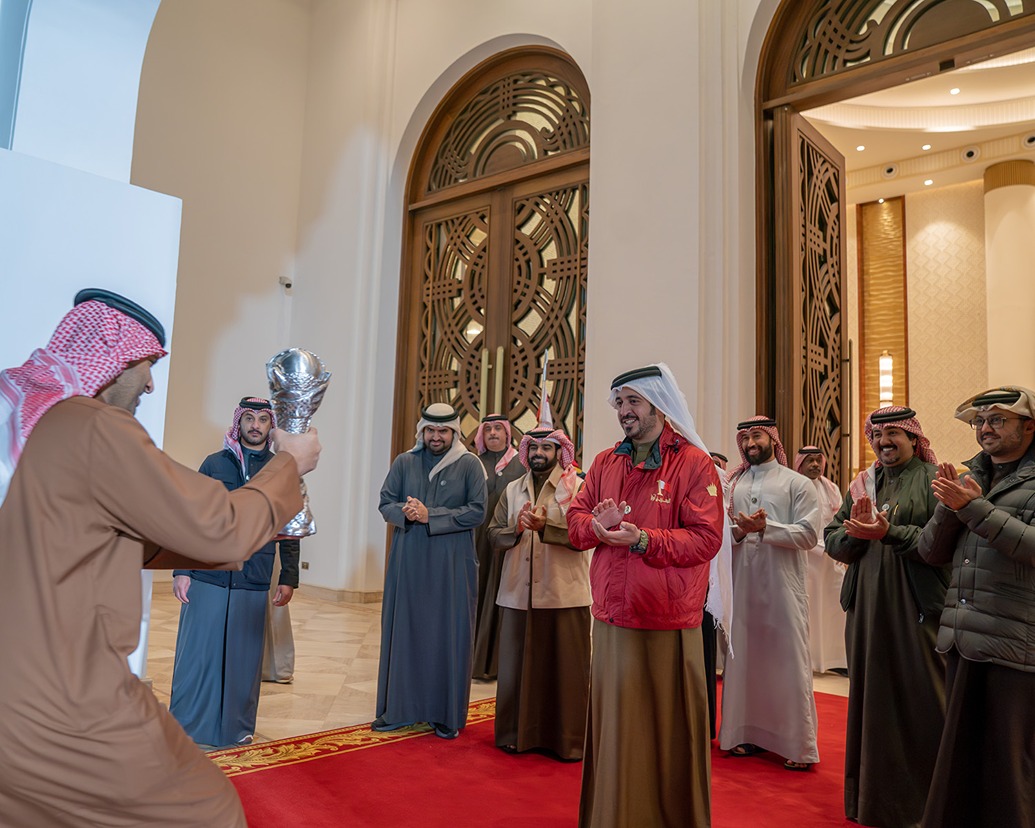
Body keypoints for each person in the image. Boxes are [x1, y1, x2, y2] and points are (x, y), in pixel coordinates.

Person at [0, 289, 320, 828]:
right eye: (147, 364)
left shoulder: (53, 430)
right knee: (209, 810)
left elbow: (117, 538)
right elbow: (217, 527)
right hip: (67, 702)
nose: (151, 382)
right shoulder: (96, 425)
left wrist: (228, 543)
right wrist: (290, 466)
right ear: (114, 360)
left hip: (20, 693)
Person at [567, 363, 726, 828]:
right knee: (617, 729)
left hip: (667, 620)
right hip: (614, 615)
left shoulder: (694, 463)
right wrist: (596, 527)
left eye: (633, 401)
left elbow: (705, 540)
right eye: (619, 402)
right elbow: (576, 523)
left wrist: (643, 540)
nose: (623, 411)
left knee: (664, 731)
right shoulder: (604, 462)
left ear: (659, 404)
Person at [824, 405, 948, 828]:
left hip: (916, 607)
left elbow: (941, 544)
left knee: (923, 699)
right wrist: (854, 537)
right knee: (870, 700)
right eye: (877, 436)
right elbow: (832, 538)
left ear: (915, 438)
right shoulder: (863, 483)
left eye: (894, 434)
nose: (884, 443)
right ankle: (872, 801)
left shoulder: (935, 482)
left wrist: (888, 532)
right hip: (865, 608)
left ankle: (926, 805)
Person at [917, 387, 1035, 828]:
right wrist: (952, 509)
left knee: (1008, 767)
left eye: (997, 419)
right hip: (963, 638)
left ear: (1029, 425)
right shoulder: (971, 477)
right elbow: (930, 552)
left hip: (1016, 643)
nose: (985, 428)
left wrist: (974, 507)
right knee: (960, 762)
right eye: (979, 421)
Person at [169, 397, 301, 747]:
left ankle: (235, 731)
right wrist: (183, 569)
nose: (255, 425)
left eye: (262, 419)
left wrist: (288, 576)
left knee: (242, 662)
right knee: (199, 657)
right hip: (208, 575)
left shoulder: (279, 470)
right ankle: (188, 729)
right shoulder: (214, 464)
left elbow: (291, 524)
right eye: (249, 418)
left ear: (270, 425)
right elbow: (191, 518)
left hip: (252, 577)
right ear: (238, 422)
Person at [374, 402, 487, 739]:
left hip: (452, 564)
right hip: (409, 559)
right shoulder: (404, 462)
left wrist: (430, 515)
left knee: (447, 634)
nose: (436, 437)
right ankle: (400, 710)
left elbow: (477, 512)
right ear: (422, 431)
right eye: (431, 431)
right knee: (406, 630)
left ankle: (444, 714)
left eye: (443, 431)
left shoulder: (469, 465)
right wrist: (404, 513)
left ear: (454, 433)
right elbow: (385, 502)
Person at [718, 416, 821, 771]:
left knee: (787, 662)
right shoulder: (735, 483)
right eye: (744, 436)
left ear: (772, 439)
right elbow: (722, 535)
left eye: (756, 435)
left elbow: (809, 535)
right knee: (744, 659)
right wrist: (740, 531)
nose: (750, 443)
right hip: (743, 587)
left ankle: (796, 744)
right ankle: (744, 733)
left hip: (782, 588)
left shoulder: (796, 483)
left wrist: (767, 528)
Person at [487, 411, 590, 760]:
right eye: (534, 448)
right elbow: (492, 534)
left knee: (565, 672)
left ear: (559, 452)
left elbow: (586, 536)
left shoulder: (577, 487)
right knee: (518, 671)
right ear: (526, 450)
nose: (539, 454)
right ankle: (517, 735)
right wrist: (516, 529)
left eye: (547, 448)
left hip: (563, 592)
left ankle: (566, 742)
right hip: (518, 592)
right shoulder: (513, 489)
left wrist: (548, 528)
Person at [471, 413, 525, 680]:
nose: (493, 433)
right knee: (476, 597)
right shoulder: (474, 463)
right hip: (475, 544)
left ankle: (499, 664)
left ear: (507, 434)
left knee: (502, 599)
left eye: (498, 429)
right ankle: (474, 661)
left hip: (506, 544)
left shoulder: (520, 464)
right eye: (488, 429)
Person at [794, 446, 847, 674]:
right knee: (809, 609)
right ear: (800, 464)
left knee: (833, 609)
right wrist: (819, 548)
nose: (815, 465)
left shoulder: (831, 488)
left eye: (818, 460)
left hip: (830, 557)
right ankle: (809, 661)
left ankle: (833, 661)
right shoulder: (794, 486)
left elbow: (839, 520)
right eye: (810, 461)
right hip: (806, 558)